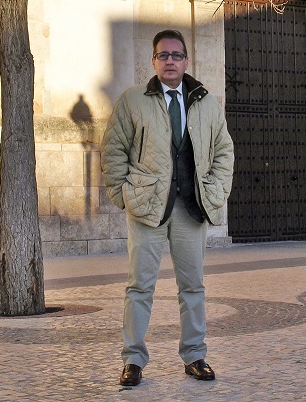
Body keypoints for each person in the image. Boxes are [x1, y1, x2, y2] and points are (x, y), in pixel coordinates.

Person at [101, 29, 234, 387]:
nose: (170, 61)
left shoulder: (207, 102)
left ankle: (195, 355)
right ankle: (133, 360)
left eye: (176, 55)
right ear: (154, 61)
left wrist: (216, 191)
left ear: (186, 60)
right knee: (139, 287)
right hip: (146, 208)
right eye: (163, 55)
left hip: (190, 209)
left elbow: (224, 150)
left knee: (193, 286)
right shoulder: (133, 101)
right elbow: (113, 150)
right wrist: (122, 194)